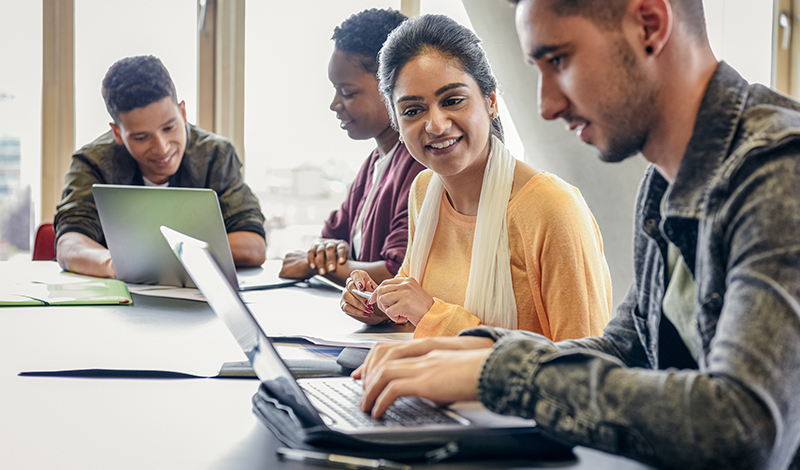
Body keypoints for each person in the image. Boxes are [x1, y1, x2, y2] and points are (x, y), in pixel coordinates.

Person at [354, 1, 800, 469]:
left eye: (560, 60)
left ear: (650, 25)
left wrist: (502, 373)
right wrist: (466, 352)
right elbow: (627, 349)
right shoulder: (665, 180)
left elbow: (745, 427)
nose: (547, 105)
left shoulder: (777, 172)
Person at [340, 14, 612, 341]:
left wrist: (432, 313)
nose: (436, 125)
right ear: (397, 122)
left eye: (452, 100)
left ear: (491, 101)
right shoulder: (424, 192)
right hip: (431, 386)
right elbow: (417, 317)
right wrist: (377, 305)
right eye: (413, 110)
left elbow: (584, 368)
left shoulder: (552, 209)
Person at [54, 56, 266, 278]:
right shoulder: (92, 162)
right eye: (141, 137)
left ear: (182, 113)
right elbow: (70, 243)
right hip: (122, 302)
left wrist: (156, 258)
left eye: (169, 127)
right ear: (118, 134)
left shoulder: (216, 155)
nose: (162, 148)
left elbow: (253, 245)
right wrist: (115, 265)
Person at [279, 9, 425, 286]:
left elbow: (397, 272)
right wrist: (325, 255)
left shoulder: (420, 166)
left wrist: (314, 264)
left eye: (347, 92)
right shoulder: (373, 163)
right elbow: (331, 237)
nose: (335, 104)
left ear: (392, 85)